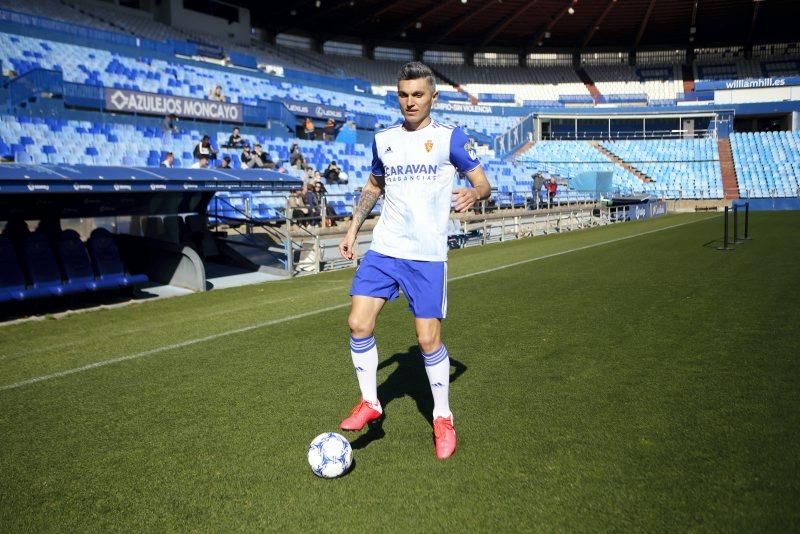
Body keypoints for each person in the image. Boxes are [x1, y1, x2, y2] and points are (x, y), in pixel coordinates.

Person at [337, 62, 490, 460]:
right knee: (358, 323)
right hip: (386, 248)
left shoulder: (449, 138)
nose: (410, 101)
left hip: (426, 257)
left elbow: (483, 182)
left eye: (418, 94)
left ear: (432, 97)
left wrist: (475, 195)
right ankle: (370, 402)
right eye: (404, 94)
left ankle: (442, 417)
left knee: (427, 340)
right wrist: (354, 229)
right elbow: (374, 185)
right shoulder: (384, 139)